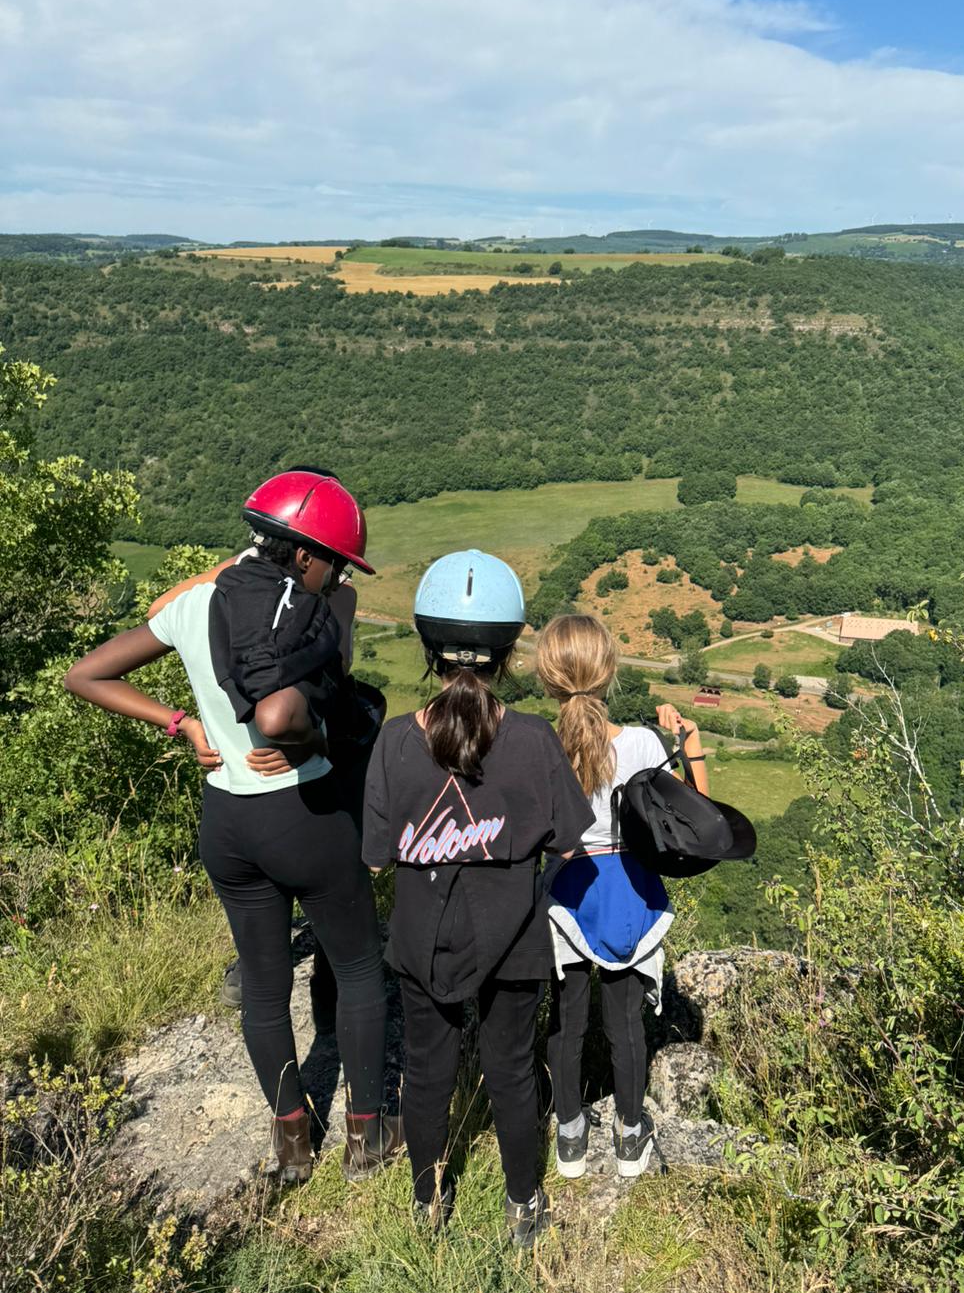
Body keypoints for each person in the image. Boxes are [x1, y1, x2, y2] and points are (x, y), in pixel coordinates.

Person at [64, 469, 398, 1185]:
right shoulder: (320, 606)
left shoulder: (195, 602)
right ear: (305, 555)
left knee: (264, 985)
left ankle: (291, 1141)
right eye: (334, 559)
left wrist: (180, 725)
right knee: (362, 968)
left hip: (227, 822)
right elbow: (315, 696)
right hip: (303, 813)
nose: (339, 573)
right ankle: (368, 1139)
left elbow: (85, 675)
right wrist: (317, 745)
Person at [362, 550, 594, 1247]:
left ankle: (428, 1203)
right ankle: (522, 1206)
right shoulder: (532, 742)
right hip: (515, 939)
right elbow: (572, 847)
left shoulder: (394, 744)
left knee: (429, 1075)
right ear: (510, 649)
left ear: (427, 645)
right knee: (511, 1072)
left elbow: (376, 857)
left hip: (421, 940)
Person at [535, 614, 708, 1180]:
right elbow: (697, 819)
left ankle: (569, 1133)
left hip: (567, 893)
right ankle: (631, 1134)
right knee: (626, 1022)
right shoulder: (641, 743)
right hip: (632, 893)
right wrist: (692, 748)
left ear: (548, 678)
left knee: (566, 1021)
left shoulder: (538, 746)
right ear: (609, 673)